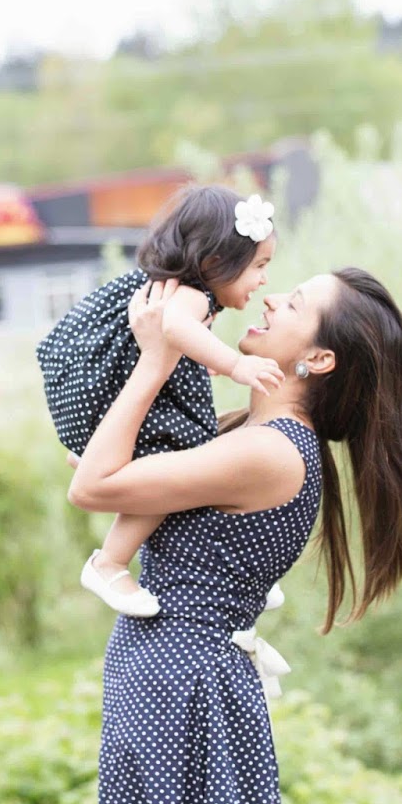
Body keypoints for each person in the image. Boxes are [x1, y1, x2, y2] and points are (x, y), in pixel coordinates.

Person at [66, 269, 402, 804]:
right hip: (175, 679)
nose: (271, 296)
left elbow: (91, 488)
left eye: (296, 302)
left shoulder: (269, 452)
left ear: (318, 358)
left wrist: (159, 359)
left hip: (182, 687)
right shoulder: (248, 434)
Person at [37, 184, 286, 617]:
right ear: (214, 262)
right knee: (185, 456)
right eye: (258, 266)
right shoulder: (188, 295)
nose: (264, 280)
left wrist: (201, 358)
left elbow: (181, 337)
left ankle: (235, 573)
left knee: (185, 472)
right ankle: (109, 561)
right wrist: (234, 365)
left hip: (92, 394)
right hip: (103, 395)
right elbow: (175, 328)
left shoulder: (180, 292)